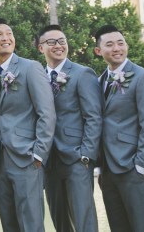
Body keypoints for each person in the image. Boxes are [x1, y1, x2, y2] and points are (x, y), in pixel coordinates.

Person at [0, 18, 55, 232]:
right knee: (8, 221)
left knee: (31, 222)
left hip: (27, 157)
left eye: (9, 33)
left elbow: (47, 113)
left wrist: (39, 154)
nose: (6, 38)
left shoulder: (30, 68)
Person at [94, 25, 144, 232]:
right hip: (108, 169)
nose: (117, 48)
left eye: (120, 43)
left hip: (133, 167)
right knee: (118, 225)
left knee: (142, 225)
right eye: (110, 44)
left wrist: (142, 165)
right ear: (98, 51)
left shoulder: (143, 77)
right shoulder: (99, 80)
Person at [35, 24, 101, 232]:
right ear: (40, 48)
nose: (58, 45)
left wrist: (86, 155)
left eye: (62, 41)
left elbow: (93, 117)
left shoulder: (83, 74)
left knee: (84, 220)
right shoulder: (37, 76)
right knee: (59, 218)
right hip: (49, 160)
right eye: (51, 42)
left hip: (76, 159)